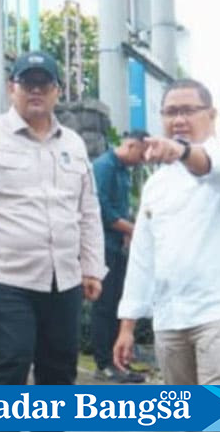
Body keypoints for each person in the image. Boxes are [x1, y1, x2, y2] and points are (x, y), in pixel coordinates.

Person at [0, 50, 106, 385]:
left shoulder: (74, 145)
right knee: (10, 361)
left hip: (63, 280)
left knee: (60, 370)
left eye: (44, 83)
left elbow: (88, 210)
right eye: (27, 83)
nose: (35, 90)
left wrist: (92, 267)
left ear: (57, 91)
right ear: (11, 88)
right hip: (3, 279)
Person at [113, 78, 220, 385]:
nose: (179, 120)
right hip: (170, 318)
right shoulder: (156, 185)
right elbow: (143, 258)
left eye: (188, 110)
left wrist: (180, 151)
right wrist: (127, 326)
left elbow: (207, 165)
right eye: (170, 112)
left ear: (211, 115)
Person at [91, 130, 148, 383]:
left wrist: (128, 232)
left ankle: (119, 361)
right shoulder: (104, 167)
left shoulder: (124, 171)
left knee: (118, 304)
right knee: (103, 306)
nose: (143, 160)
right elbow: (101, 209)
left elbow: (122, 208)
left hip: (119, 246)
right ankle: (103, 364)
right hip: (102, 246)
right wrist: (133, 230)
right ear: (132, 145)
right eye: (142, 154)